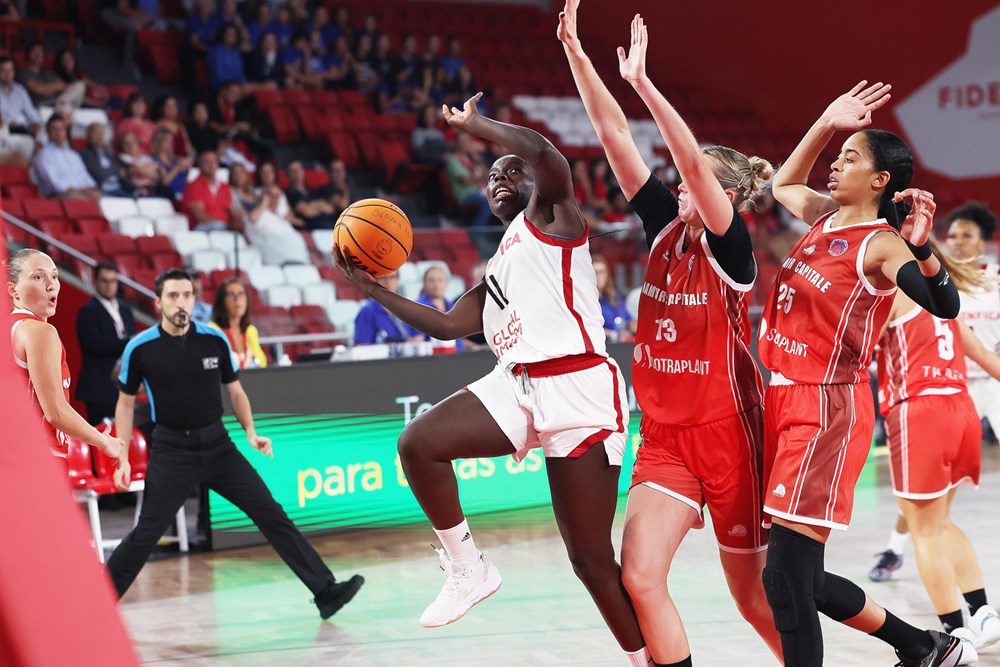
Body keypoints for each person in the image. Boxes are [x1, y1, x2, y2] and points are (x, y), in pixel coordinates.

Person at [333, 93, 650, 666]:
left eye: (511, 171)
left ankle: (647, 659)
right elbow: (449, 323)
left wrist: (479, 127)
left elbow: (547, 154)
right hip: (517, 383)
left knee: (589, 559)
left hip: (577, 386)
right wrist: (371, 288)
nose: (501, 178)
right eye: (493, 177)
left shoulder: (557, 219)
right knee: (418, 443)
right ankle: (467, 567)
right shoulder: (501, 259)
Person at [560, 7, 780, 664]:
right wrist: (577, 53)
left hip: (731, 436)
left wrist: (646, 83)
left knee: (752, 599)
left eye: (693, 179)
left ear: (721, 193)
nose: (679, 183)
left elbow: (684, 154)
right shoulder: (662, 225)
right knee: (641, 576)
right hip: (665, 439)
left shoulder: (729, 247)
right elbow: (610, 134)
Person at [758, 79, 963, 667]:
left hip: (826, 408)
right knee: (803, 579)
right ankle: (925, 646)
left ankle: (926, 644)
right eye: (838, 153)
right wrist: (825, 121)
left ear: (879, 181)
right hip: (784, 398)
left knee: (785, 582)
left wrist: (922, 249)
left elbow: (942, 303)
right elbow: (782, 183)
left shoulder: (879, 244)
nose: (835, 163)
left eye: (850, 156)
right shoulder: (824, 217)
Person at [106, 268, 363, 616]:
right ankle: (97, 603)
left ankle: (325, 591)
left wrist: (251, 433)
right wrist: (121, 456)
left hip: (218, 446)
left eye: (186, 295)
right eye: (172, 296)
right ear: (157, 303)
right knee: (146, 533)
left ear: (194, 300)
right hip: (171, 451)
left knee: (271, 513)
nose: (180, 302)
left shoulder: (214, 340)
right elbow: (123, 403)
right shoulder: (140, 347)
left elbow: (236, 392)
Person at [873, 241, 1000, 662]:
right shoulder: (946, 305)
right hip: (961, 410)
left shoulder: (892, 297)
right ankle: (983, 613)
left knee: (922, 527)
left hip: (920, 411)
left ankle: (954, 634)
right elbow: (982, 355)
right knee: (941, 523)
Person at [7, 249, 129, 486]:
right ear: (13, 290)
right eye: (38, 277)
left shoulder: (10, 330)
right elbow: (56, 412)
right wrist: (105, 442)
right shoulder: (40, 331)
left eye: (54, 276)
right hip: (39, 460)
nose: (51, 285)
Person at [76, 263, 137, 425]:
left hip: (123, 385)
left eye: (113, 281)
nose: (110, 285)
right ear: (95, 282)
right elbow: (94, 345)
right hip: (100, 386)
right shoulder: (87, 311)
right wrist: (128, 342)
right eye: (105, 281)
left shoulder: (126, 310)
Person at [243, 162, 311, 266]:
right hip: (275, 257)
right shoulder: (260, 213)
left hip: (295, 256)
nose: (276, 199)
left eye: (277, 197)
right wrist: (264, 203)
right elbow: (251, 219)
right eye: (272, 196)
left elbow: (290, 217)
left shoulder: (281, 217)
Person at [32, 114, 101, 200]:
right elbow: (54, 184)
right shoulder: (43, 155)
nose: (59, 133)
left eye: (61, 129)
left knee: (108, 201)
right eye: (54, 130)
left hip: (81, 192)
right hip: (58, 196)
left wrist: (90, 189)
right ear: (48, 132)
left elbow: (85, 177)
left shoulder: (73, 155)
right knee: (90, 203)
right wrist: (79, 191)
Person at [208, 278, 267, 369]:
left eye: (241, 294)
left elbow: (262, 362)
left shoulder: (250, 330)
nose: (237, 299)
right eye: (231, 295)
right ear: (222, 301)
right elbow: (206, 363)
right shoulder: (212, 330)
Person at [403, 265, 462, 352]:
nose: (436, 285)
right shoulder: (417, 308)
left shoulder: (453, 306)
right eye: (431, 280)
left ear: (446, 283)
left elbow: (460, 339)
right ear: (424, 283)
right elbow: (417, 340)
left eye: (440, 280)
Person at [182, 150, 241, 231]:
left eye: (214, 161)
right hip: (202, 229)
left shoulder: (224, 186)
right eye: (207, 161)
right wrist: (227, 226)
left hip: (224, 228)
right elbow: (201, 217)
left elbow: (233, 210)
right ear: (200, 165)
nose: (211, 164)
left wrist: (239, 222)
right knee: (217, 226)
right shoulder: (193, 186)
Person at [17, 42, 85, 112]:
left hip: (58, 104)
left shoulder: (48, 73)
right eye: (35, 51)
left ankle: (61, 103)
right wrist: (54, 87)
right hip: (41, 106)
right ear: (28, 54)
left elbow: (63, 86)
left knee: (79, 85)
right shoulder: (23, 73)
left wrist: (49, 88)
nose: (38, 54)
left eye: (40, 52)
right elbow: (37, 89)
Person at [352, 271, 409, 345]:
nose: (388, 283)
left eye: (392, 277)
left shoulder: (405, 308)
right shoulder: (368, 311)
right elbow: (361, 346)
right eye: (383, 278)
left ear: (398, 279)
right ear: (375, 280)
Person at [285, 160, 336, 230]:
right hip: (311, 230)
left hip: (327, 226)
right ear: (288, 175)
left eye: (299, 170)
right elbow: (306, 212)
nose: (297, 173)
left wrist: (312, 206)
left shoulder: (311, 191)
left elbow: (330, 209)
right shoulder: (290, 193)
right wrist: (319, 205)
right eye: (293, 171)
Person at [591, 254, 632, 342]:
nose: (598, 277)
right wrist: (611, 334)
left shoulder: (614, 297)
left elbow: (628, 320)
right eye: (595, 272)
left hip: (621, 345)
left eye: (602, 272)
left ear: (607, 274)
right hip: (601, 344)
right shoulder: (585, 300)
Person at [0, 56, 42, 138]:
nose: (8, 74)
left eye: (10, 70)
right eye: (3, 71)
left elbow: (32, 115)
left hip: (20, 132)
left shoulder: (20, 91)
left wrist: (35, 124)